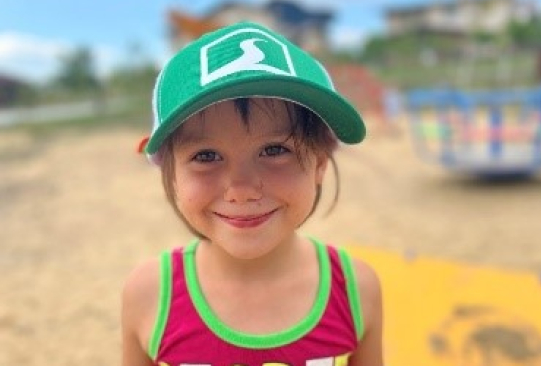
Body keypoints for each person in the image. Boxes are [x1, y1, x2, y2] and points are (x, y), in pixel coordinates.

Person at [121, 21, 384, 366]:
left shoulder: (355, 290)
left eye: (275, 150)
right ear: (170, 174)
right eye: (206, 156)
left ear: (320, 163)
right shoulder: (148, 295)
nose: (241, 190)